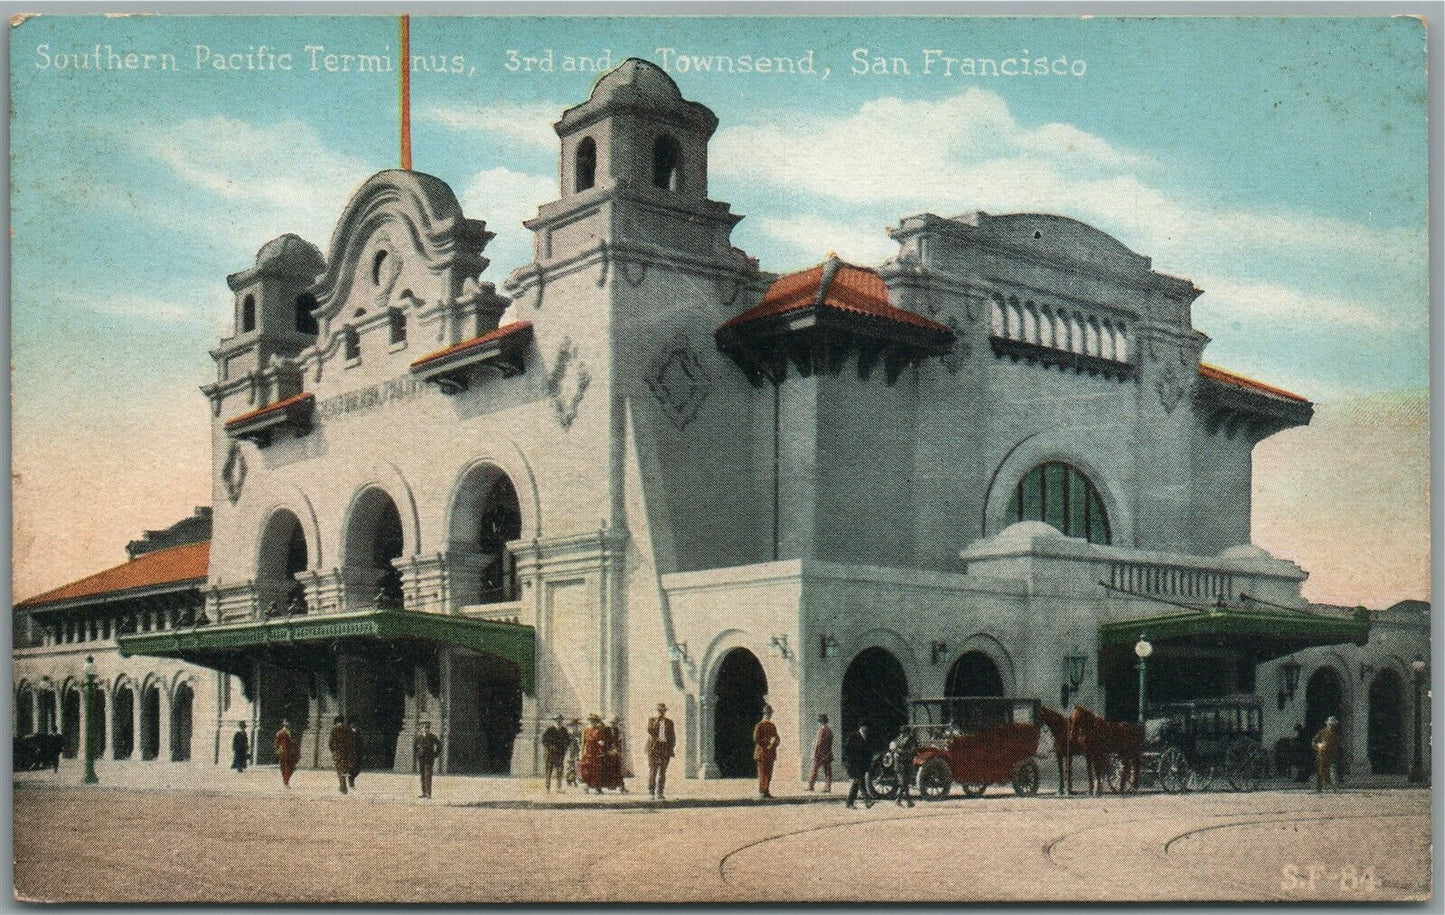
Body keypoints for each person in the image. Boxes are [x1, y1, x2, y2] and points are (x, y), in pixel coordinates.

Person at [646, 702, 675, 800]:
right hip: (654, 748)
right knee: (653, 770)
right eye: (659, 710)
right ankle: (651, 791)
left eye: (663, 710)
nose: (661, 712)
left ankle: (660, 792)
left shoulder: (669, 722)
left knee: (662, 771)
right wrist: (658, 720)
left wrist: (671, 748)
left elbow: (672, 736)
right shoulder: (652, 720)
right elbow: (650, 730)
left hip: (664, 748)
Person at [753, 705, 780, 799]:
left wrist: (774, 743)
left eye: (770, 714)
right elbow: (756, 739)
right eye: (768, 714)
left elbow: (777, 738)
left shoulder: (772, 726)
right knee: (762, 773)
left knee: (769, 773)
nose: (769, 716)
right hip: (762, 753)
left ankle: (767, 791)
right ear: (764, 714)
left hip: (770, 753)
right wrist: (768, 742)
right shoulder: (760, 725)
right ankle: (762, 791)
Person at [843, 724, 873, 809]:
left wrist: (868, 764)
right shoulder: (853, 736)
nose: (865, 728)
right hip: (854, 764)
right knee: (858, 782)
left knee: (859, 783)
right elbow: (847, 750)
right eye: (864, 726)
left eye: (866, 727)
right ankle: (866, 800)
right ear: (860, 727)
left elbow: (869, 752)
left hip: (863, 766)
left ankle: (853, 803)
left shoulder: (868, 737)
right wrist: (849, 761)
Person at [541, 715, 570, 793]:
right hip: (550, 754)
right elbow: (544, 740)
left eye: (560, 720)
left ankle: (558, 787)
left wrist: (565, 748)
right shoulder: (549, 730)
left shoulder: (564, 730)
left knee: (559, 770)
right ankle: (547, 787)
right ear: (554, 721)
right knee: (548, 770)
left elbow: (568, 741)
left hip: (560, 754)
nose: (559, 722)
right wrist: (549, 747)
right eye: (557, 720)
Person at [1313, 715, 1342, 792]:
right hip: (1322, 754)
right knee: (1320, 771)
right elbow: (1314, 742)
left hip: (1332, 755)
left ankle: (1334, 788)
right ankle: (1319, 788)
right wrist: (1319, 746)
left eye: (1333, 725)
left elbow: (1338, 744)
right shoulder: (1322, 732)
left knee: (1332, 771)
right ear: (1327, 724)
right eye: (1330, 724)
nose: (1331, 726)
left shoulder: (1336, 734)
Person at [328, 715, 356, 794]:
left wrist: (333, 751)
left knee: (339, 769)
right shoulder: (348, 729)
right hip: (347, 752)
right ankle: (343, 785)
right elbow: (352, 742)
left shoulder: (334, 729)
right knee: (344, 769)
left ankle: (343, 786)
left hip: (338, 752)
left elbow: (330, 742)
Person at [579, 714, 606, 794]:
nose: (592, 722)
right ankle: (586, 787)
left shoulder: (599, 730)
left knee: (596, 770)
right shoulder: (585, 730)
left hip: (596, 752)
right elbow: (583, 742)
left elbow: (601, 741)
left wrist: (601, 743)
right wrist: (581, 752)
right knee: (586, 769)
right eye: (591, 721)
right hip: (587, 752)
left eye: (594, 721)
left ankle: (596, 787)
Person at [414, 721, 441, 799]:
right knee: (422, 775)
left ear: (429, 729)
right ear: (421, 729)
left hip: (429, 758)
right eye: (424, 728)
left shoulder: (432, 737)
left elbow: (439, 745)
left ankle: (429, 793)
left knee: (428, 775)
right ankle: (424, 793)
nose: (426, 729)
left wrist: (435, 754)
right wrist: (418, 754)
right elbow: (415, 746)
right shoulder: (419, 737)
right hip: (421, 758)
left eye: (427, 728)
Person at [892, 725, 917, 808]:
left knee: (905, 783)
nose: (902, 734)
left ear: (907, 733)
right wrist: (896, 750)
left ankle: (908, 801)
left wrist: (898, 751)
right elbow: (892, 747)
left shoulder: (911, 740)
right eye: (901, 732)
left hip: (907, 763)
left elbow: (911, 751)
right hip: (900, 763)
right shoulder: (898, 739)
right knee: (903, 782)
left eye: (904, 732)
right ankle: (899, 800)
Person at [808, 713, 834, 792]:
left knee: (814, 770)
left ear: (821, 721)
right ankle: (828, 787)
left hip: (819, 754)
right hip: (827, 753)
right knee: (827, 771)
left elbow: (818, 743)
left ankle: (811, 786)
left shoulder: (822, 730)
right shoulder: (829, 730)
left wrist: (814, 753)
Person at [603, 716, 629, 793]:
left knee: (618, 770)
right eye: (612, 723)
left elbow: (619, 742)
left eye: (614, 723)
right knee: (609, 770)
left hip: (616, 752)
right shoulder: (606, 730)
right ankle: (611, 785)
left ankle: (621, 787)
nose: (613, 724)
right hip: (608, 753)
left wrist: (618, 750)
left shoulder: (617, 730)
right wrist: (608, 750)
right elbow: (604, 741)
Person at [274, 720, 299, 788]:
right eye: (286, 724)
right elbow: (276, 744)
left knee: (291, 768)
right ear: (284, 725)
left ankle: (286, 780)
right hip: (283, 754)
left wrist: (296, 752)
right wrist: (278, 754)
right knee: (284, 768)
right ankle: (286, 781)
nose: (288, 726)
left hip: (291, 753)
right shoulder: (280, 733)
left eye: (289, 724)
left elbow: (295, 742)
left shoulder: (293, 732)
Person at [565, 718, 582, 788]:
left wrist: (579, 741)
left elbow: (582, 742)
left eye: (576, 726)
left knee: (577, 765)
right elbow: (566, 743)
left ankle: (574, 779)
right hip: (570, 751)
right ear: (571, 726)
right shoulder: (569, 734)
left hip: (577, 751)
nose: (575, 727)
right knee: (570, 766)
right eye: (574, 726)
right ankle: (569, 780)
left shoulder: (579, 733)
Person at [347, 719, 362, 788]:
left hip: (357, 753)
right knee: (352, 768)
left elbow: (361, 743)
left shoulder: (358, 733)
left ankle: (351, 779)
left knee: (358, 768)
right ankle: (351, 781)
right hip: (350, 753)